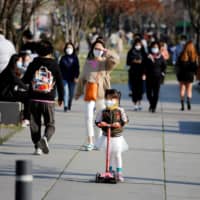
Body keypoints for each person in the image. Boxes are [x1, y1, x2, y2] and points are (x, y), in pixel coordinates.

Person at [75, 38, 119, 151]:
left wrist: (107, 52)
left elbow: (116, 60)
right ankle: (90, 141)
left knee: (100, 119)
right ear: (92, 49)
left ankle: (99, 141)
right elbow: (82, 78)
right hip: (89, 94)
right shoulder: (89, 62)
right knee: (88, 117)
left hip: (102, 95)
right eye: (96, 48)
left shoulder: (106, 63)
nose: (97, 50)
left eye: (100, 49)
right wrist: (78, 92)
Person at [22, 40, 64, 155]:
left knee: (35, 124)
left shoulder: (33, 63)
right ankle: (45, 138)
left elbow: (25, 80)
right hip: (48, 100)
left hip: (33, 99)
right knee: (50, 124)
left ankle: (37, 147)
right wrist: (61, 97)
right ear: (50, 51)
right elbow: (60, 82)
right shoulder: (54, 64)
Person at [95, 89, 128, 182]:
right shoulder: (103, 111)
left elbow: (125, 120)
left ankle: (119, 172)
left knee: (117, 154)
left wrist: (119, 124)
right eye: (108, 98)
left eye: (113, 99)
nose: (110, 101)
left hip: (116, 136)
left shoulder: (120, 110)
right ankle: (108, 170)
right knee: (108, 155)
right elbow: (97, 121)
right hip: (106, 136)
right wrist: (100, 124)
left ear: (117, 100)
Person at [0, 54, 29, 126]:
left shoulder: (11, 70)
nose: (21, 63)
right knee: (27, 97)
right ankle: (26, 118)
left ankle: (25, 117)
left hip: (9, 93)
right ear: (15, 62)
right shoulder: (10, 71)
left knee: (26, 95)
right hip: (5, 95)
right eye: (20, 61)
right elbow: (18, 82)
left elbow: (20, 81)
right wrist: (28, 88)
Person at [175, 41, 198, 111]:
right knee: (189, 90)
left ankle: (182, 105)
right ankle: (188, 101)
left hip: (182, 74)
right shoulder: (195, 56)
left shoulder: (182, 55)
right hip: (190, 74)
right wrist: (195, 74)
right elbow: (196, 67)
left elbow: (177, 65)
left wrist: (177, 73)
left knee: (182, 89)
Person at [145, 41, 167, 113]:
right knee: (148, 93)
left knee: (156, 93)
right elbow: (144, 66)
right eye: (153, 47)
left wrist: (163, 73)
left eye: (156, 47)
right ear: (151, 48)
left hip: (157, 77)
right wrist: (144, 74)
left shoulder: (161, 57)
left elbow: (164, 66)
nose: (155, 48)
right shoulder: (148, 56)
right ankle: (151, 103)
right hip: (149, 77)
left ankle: (154, 107)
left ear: (158, 48)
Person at [126, 38, 146, 111]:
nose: (138, 46)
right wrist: (134, 61)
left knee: (140, 90)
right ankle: (135, 104)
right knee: (134, 89)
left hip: (141, 73)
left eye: (139, 45)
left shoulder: (143, 53)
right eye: (136, 45)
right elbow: (127, 62)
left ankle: (139, 103)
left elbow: (146, 63)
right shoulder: (130, 52)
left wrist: (144, 73)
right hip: (133, 73)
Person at [59, 42, 80, 111]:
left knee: (71, 94)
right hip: (64, 78)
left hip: (73, 78)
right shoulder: (63, 58)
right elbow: (59, 68)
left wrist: (76, 77)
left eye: (70, 47)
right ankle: (65, 106)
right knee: (66, 92)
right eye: (67, 47)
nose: (69, 49)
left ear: (73, 49)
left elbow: (77, 68)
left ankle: (69, 103)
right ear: (65, 49)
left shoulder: (75, 58)